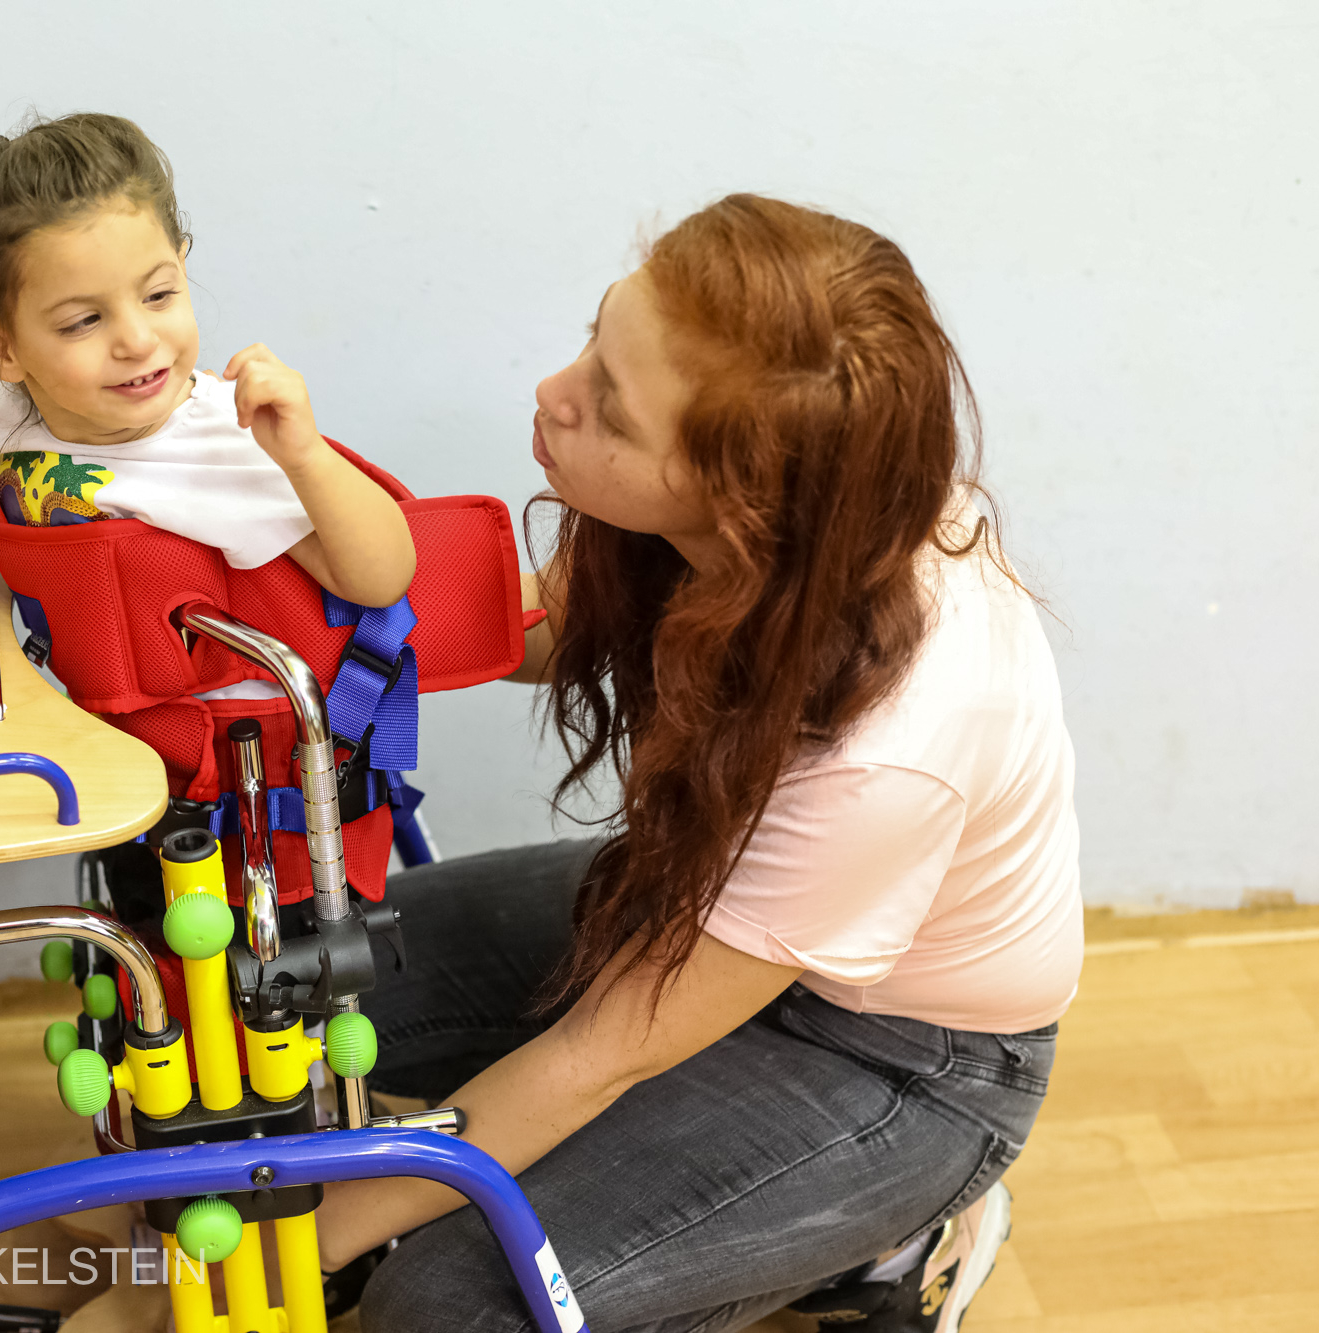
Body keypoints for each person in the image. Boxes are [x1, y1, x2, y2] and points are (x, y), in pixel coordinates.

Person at [316, 195, 1082, 1333]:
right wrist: (297, 629)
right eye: (595, 337)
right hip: (724, 911)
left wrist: (290, 1243)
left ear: (742, 504)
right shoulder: (810, 524)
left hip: (903, 1062)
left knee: (450, 1306)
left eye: (611, 413)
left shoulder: (893, 751)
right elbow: (547, 625)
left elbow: (596, 1056)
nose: (553, 391)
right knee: (305, 973)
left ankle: (886, 1239)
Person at [0, 112, 415, 614]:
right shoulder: (16, 412)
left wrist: (307, 459)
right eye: (84, 321)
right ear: (2, 348)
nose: (138, 342)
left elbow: (382, 583)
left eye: (159, 295)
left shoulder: (229, 442)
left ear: (181, 269)